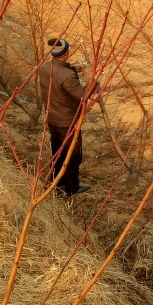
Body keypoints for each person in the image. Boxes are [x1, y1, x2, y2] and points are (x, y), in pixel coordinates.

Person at [38, 37, 92, 197]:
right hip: (67, 122)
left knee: (57, 152)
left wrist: (74, 69)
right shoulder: (67, 76)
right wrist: (93, 82)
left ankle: (57, 181)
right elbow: (83, 96)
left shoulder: (44, 68)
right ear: (66, 53)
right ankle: (72, 187)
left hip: (52, 118)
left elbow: (59, 74)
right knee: (73, 156)